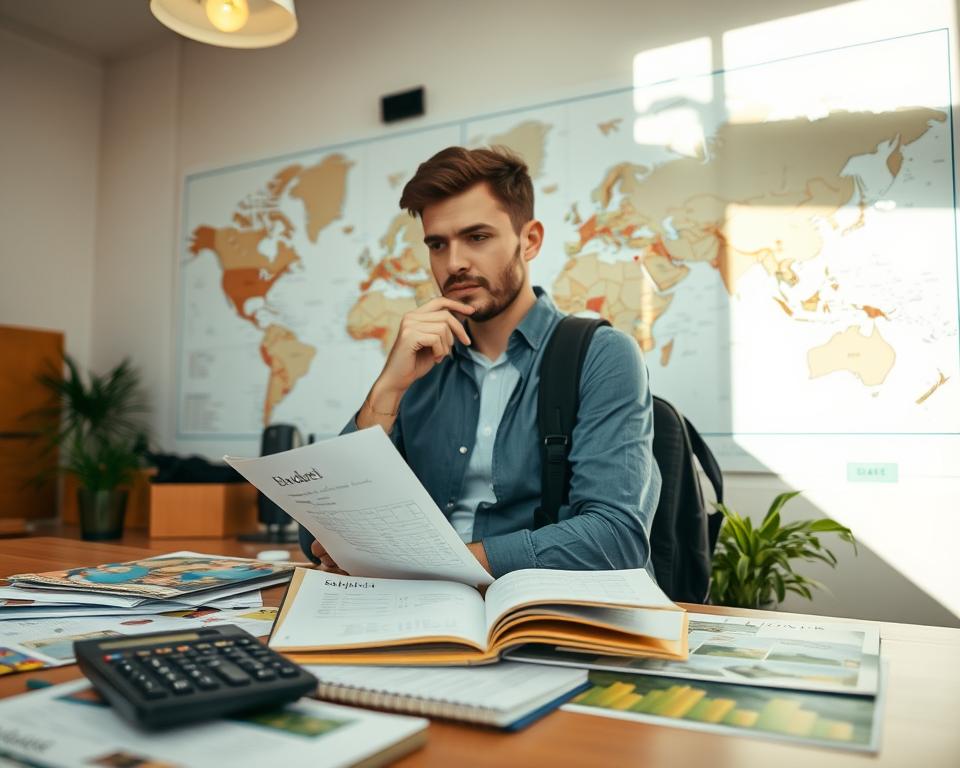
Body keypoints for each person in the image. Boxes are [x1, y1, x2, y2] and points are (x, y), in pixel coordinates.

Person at [300, 146, 661, 578]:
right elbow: (316, 535)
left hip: (540, 612)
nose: (454, 263)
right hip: (418, 605)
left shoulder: (602, 355)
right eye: (437, 244)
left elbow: (616, 537)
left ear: (529, 241)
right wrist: (387, 391)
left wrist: (434, 562)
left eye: (477, 237)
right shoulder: (421, 364)